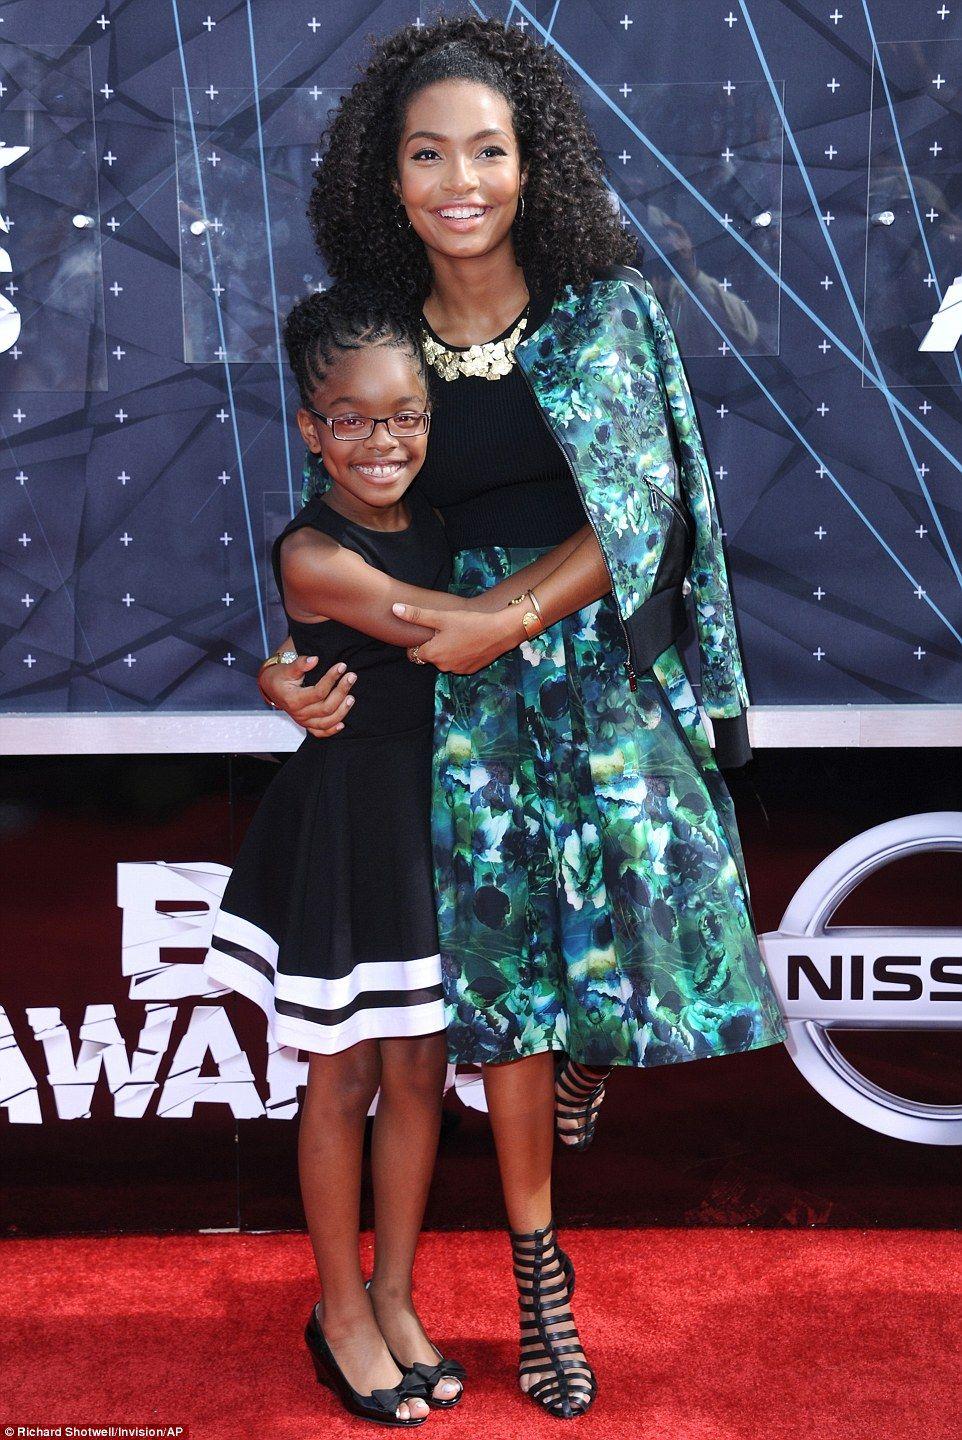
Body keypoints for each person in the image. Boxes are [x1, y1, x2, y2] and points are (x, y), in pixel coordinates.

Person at [260, 16, 788, 1421]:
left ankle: (583, 1073)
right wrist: (295, 657)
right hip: (446, 694)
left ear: (529, 163)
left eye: (486, 150)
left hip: (586, 656)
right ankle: (537, 1284)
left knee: (643, 917)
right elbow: (339, 519)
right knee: (497, 994)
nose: (459, 180)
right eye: (426, 153)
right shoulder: (380, 336)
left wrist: (509, 621)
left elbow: (641, 511)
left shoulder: (600, 309)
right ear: (387, 177)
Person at [203, 283, 467, 1427]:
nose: (382, 440)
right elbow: (445, 636)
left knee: (420, 1073)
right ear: (310, 429)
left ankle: (396, 1298)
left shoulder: (440, 521)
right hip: (347, 826)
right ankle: (338, 1310)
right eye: (350, 419)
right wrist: (574, 575)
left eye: (403, 413)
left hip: (428, 822)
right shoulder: (311, 552)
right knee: (345, 1075)